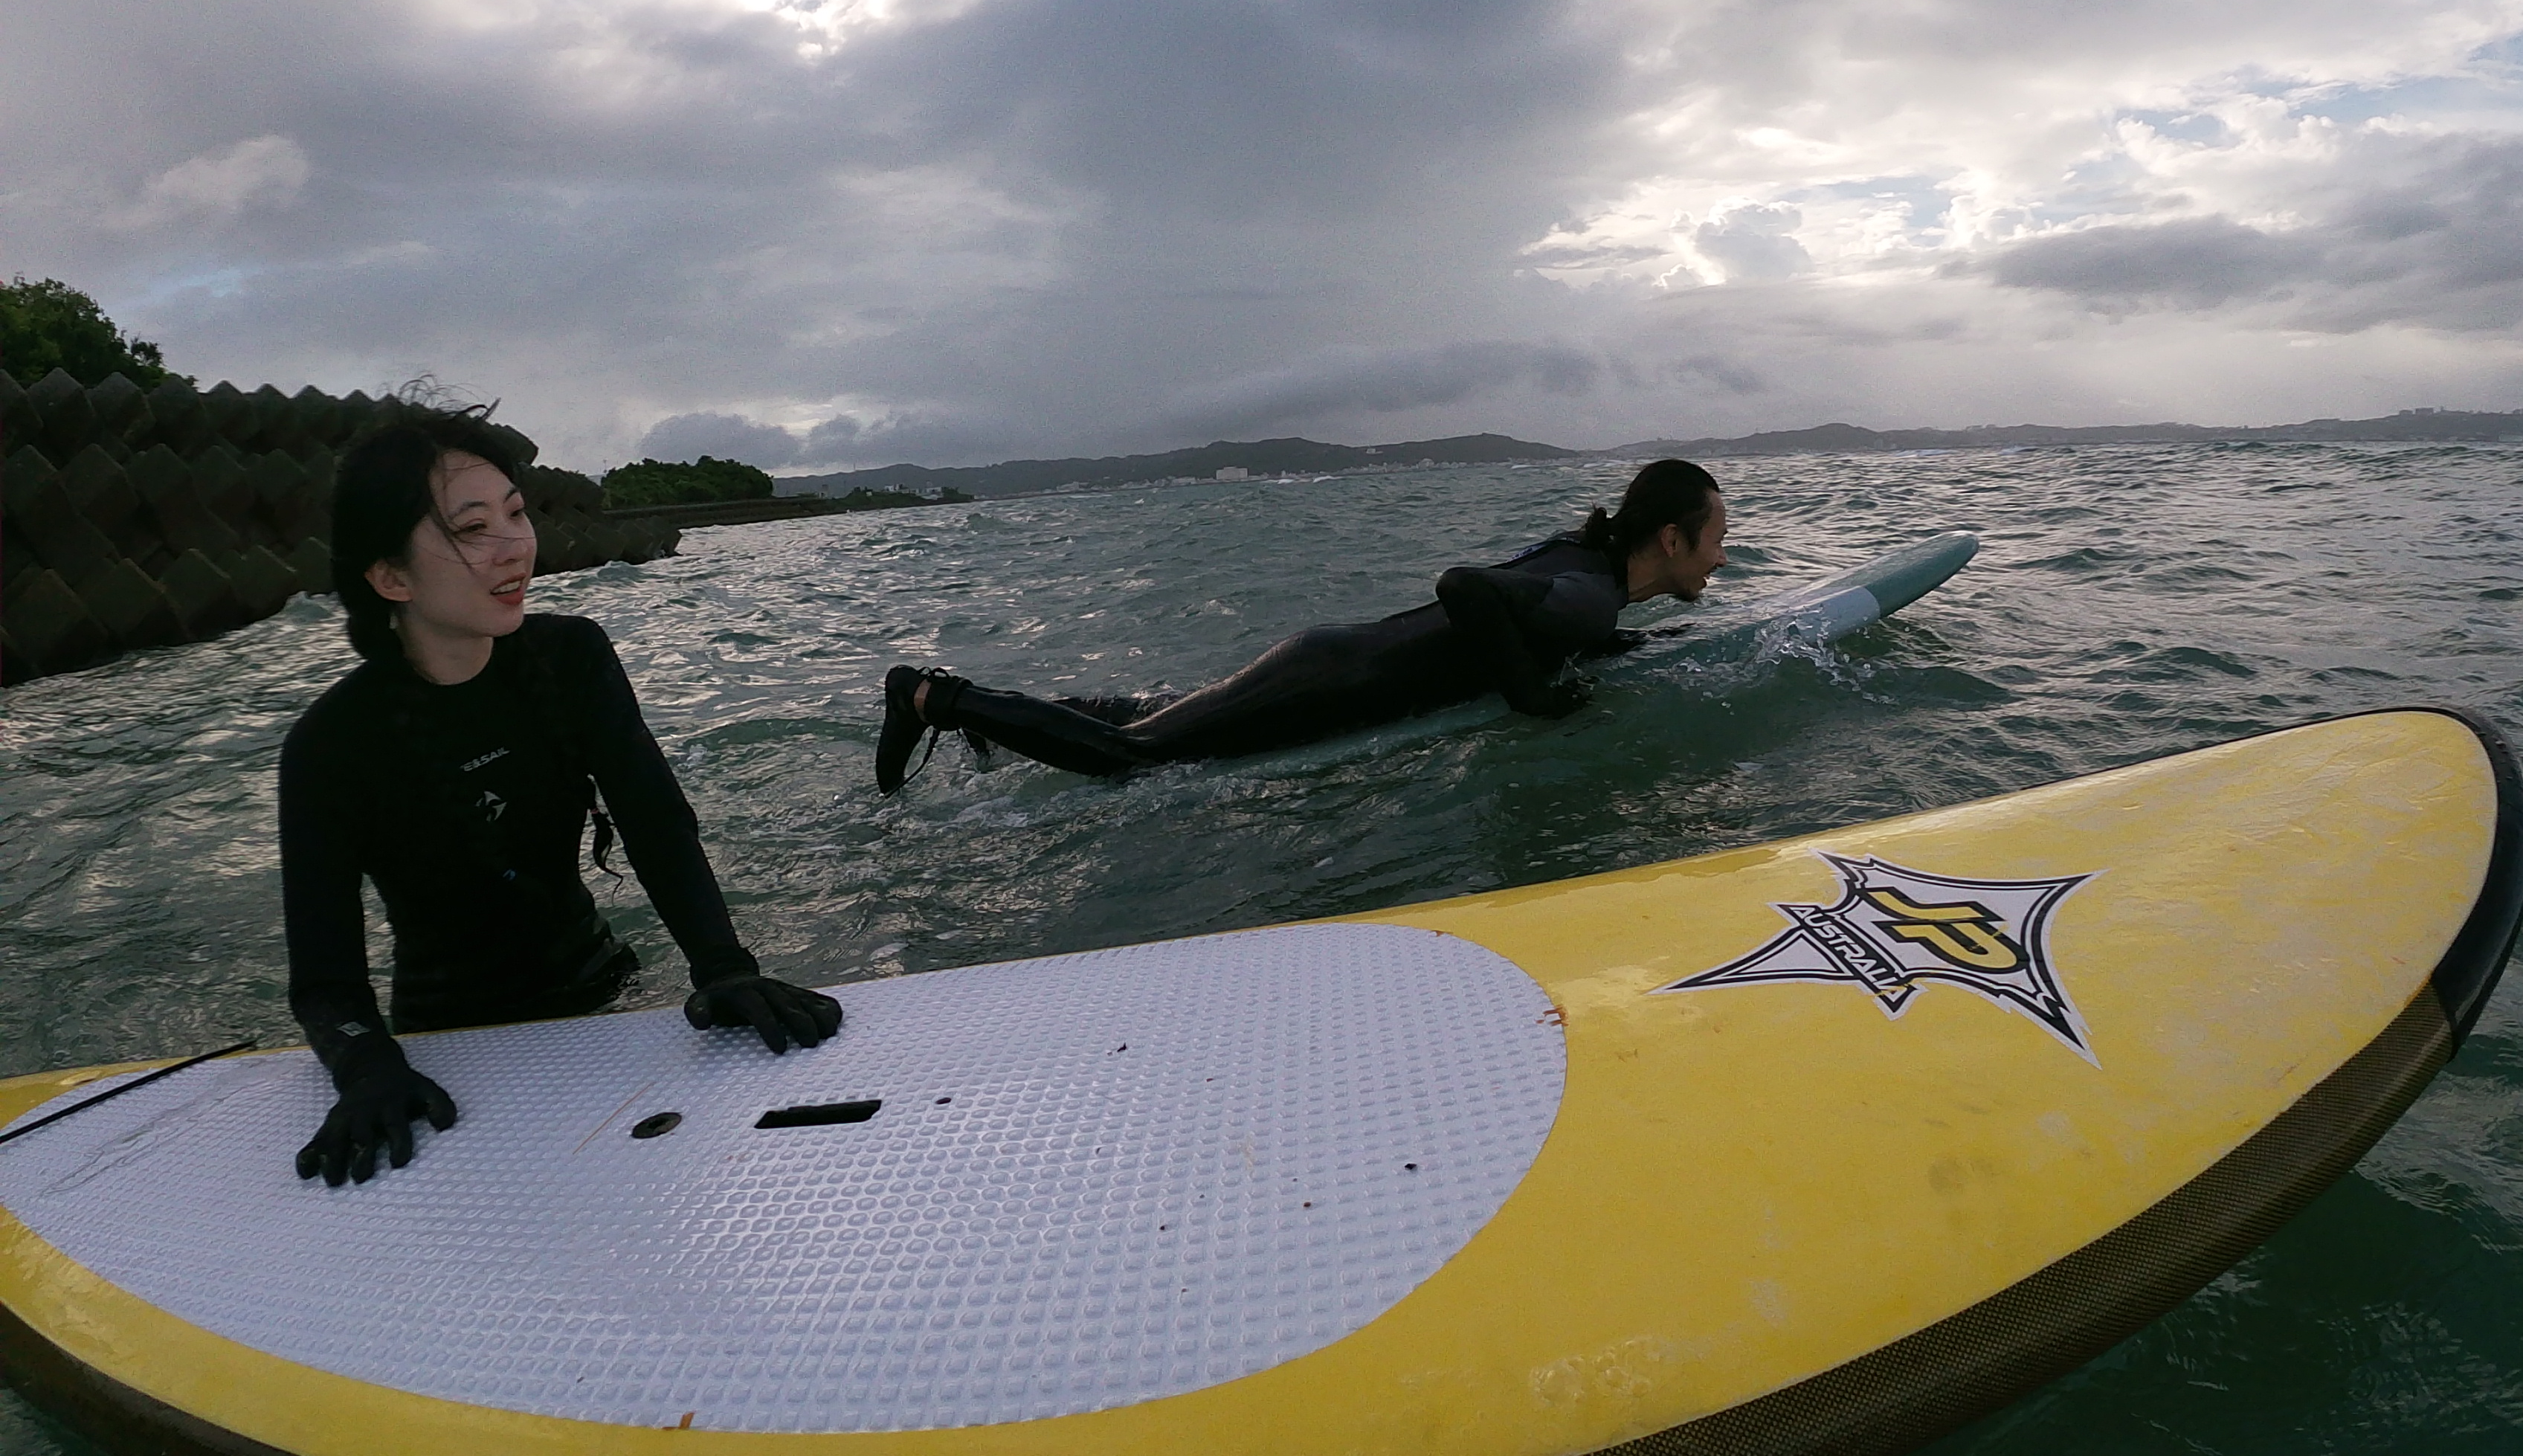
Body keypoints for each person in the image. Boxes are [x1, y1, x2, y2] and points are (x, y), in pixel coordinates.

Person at [280, 407, 842, 1187]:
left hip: (608, 995)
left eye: (517, 513)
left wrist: (723, 968)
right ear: (390, 576)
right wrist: (366, 1063)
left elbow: (655, 825)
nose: (517, 546)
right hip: (451, 1048)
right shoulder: (331, 745)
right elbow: (325, 976)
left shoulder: (571, 659)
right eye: (473, 529)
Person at [876, 458, 1727, 789]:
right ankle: (935, 699)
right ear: (1671, 537)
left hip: (1333, 659)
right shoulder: (1589, 594)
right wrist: (1533, 701)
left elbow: (1521, 608)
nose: (1721, 560)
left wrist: (1625, 646)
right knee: (1139, 758)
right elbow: (1467, 587)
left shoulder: (1586, 572)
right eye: (1717, 540)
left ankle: (1002, 715)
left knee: (1149, 712)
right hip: (1335, 683)